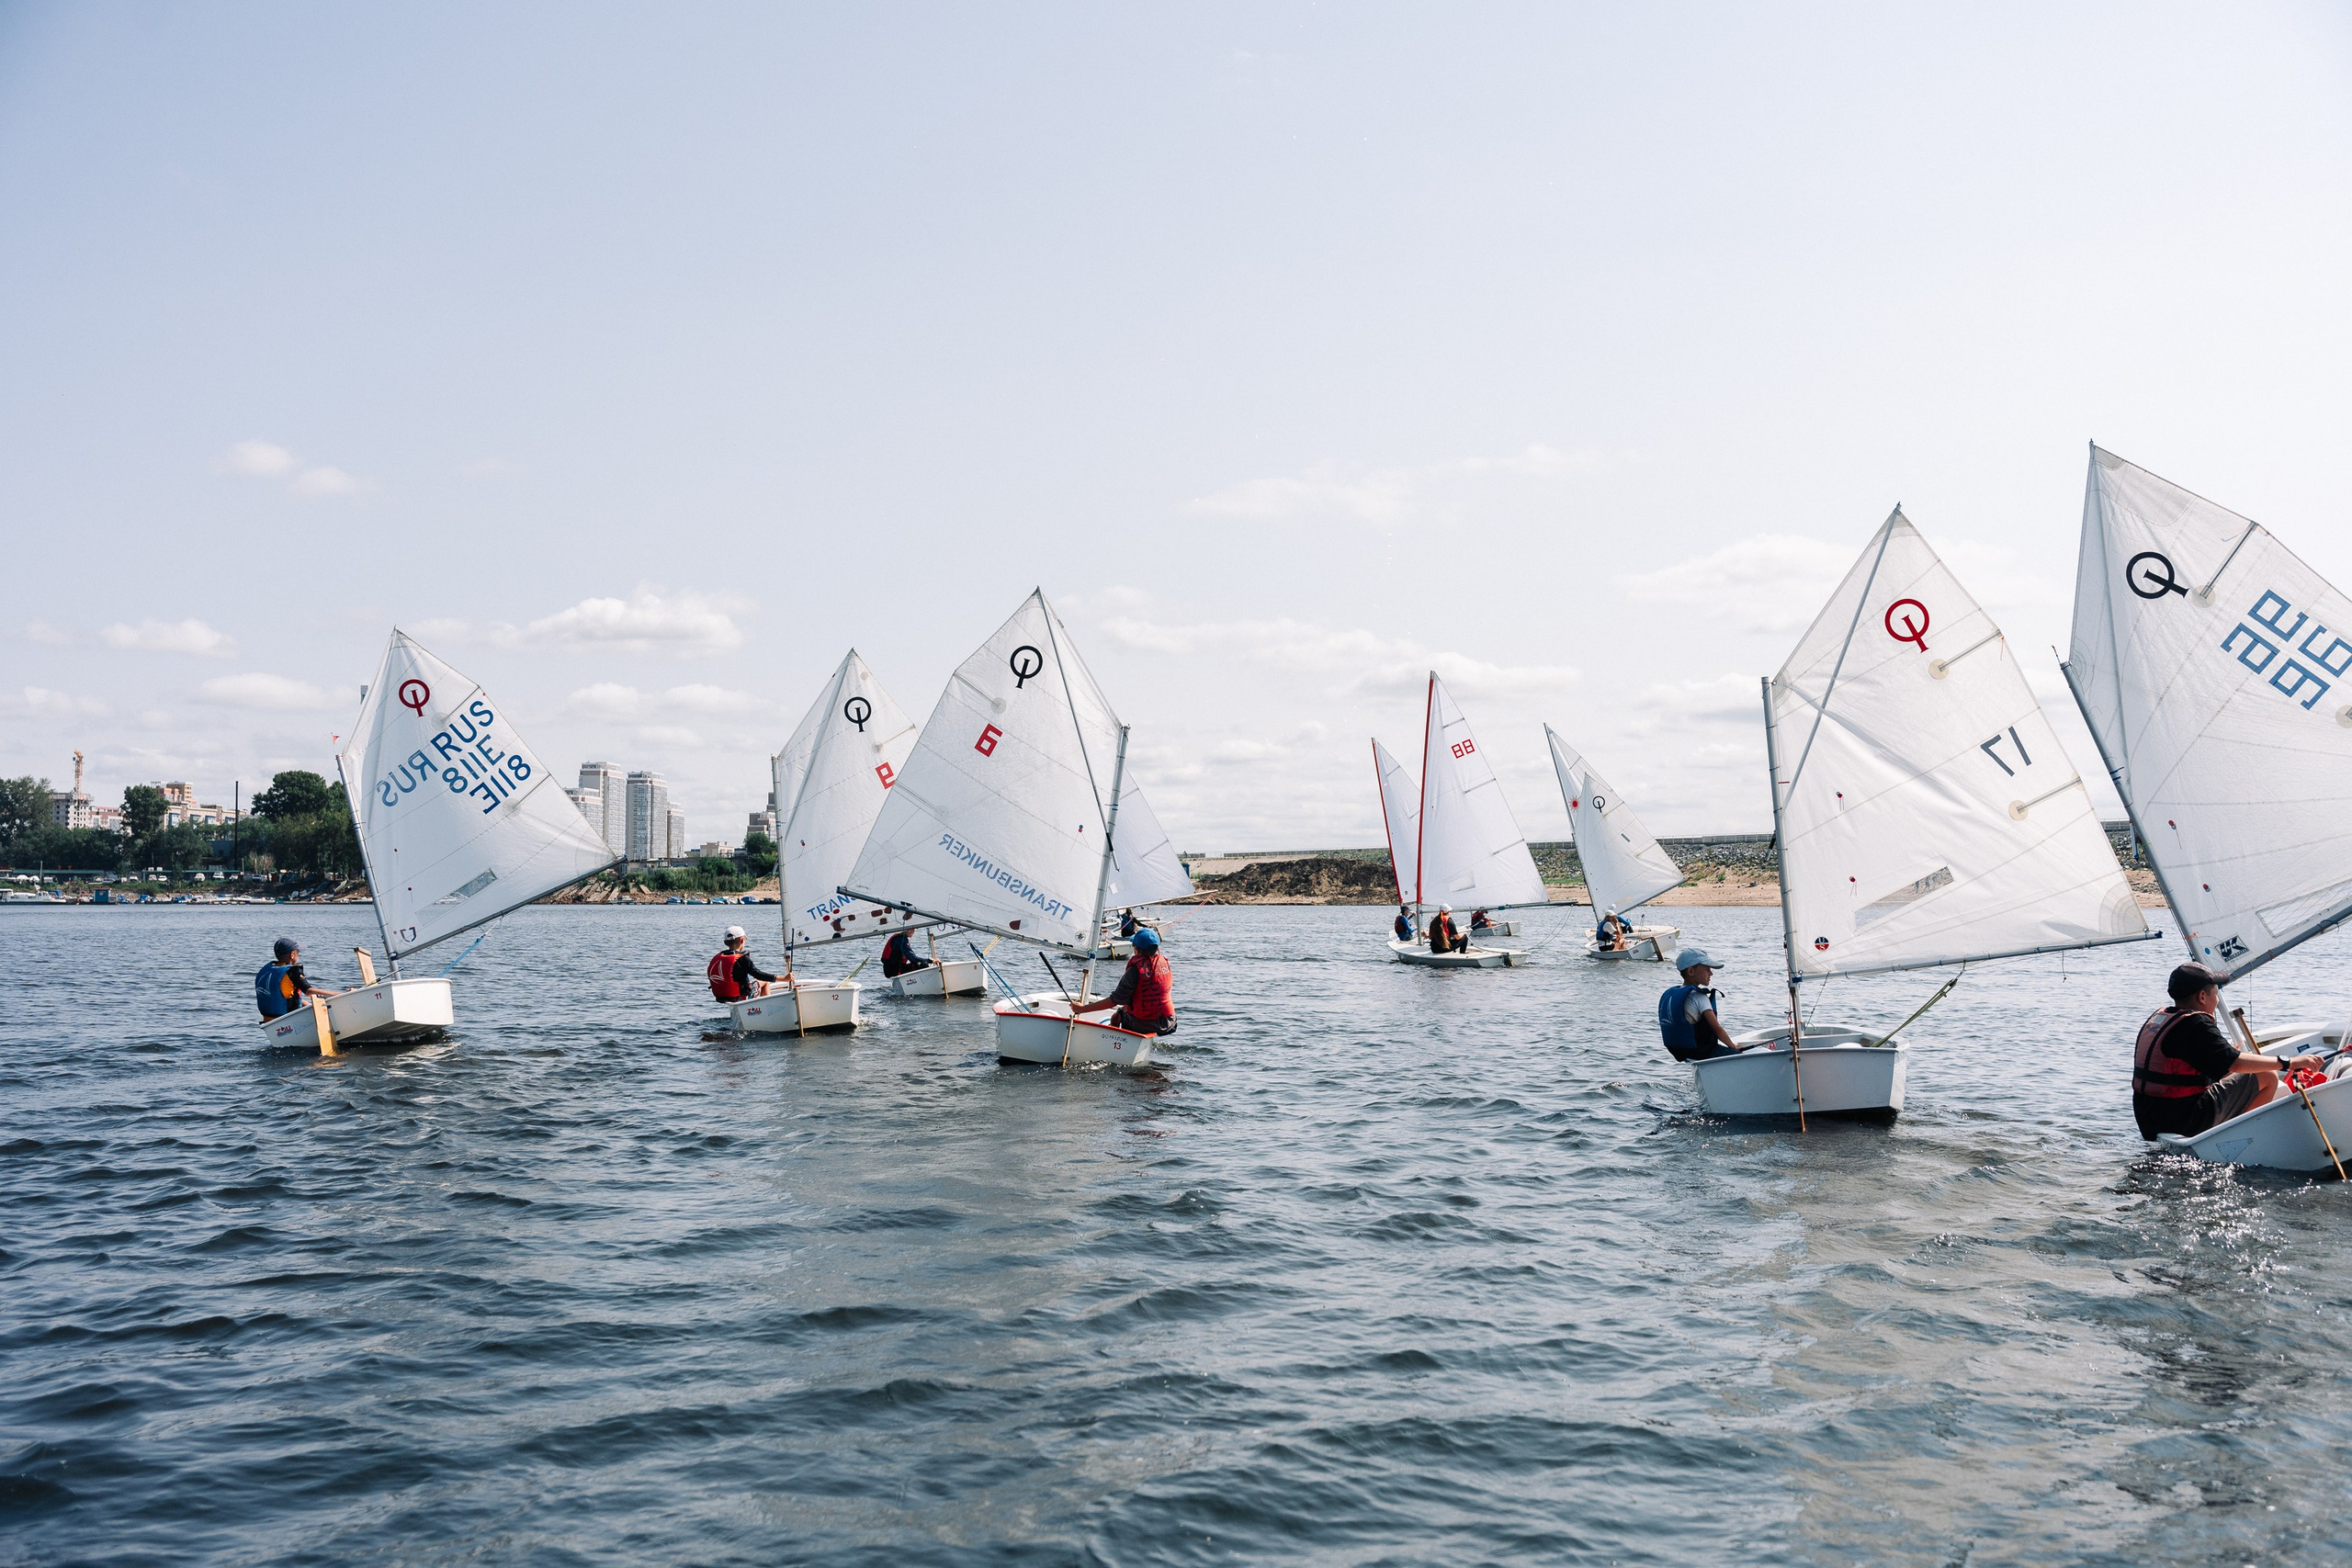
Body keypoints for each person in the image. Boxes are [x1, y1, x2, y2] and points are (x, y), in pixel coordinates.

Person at [2132, 962, 2322, 1140]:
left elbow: (2211, 1067)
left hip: (2149, 1120)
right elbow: (2236, 1064)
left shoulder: (2161, 1019)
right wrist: (2291, 1062)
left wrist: (2231, 1058)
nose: (2216, 1000)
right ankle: (2237, 1137)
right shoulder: (2197, 1024)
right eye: (2216, 993)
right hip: (2184, 1121)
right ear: (2202, 997)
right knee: (2268, 1075)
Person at [1074, 926, 1176, 1035]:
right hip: (1169, 1021)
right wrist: (1122, 1010)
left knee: (1117, 1018)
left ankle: (1120, 1045)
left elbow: (1115, 1000)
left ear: (1136, 949)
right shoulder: (1163, 963)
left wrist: (1082, 1009)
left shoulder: (1135, 970)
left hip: (1145, 1023)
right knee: (1122, 1012)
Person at [1658, 948, 1743, 1060]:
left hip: (1684, 1052)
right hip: (1704, 1052)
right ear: (1691, 972)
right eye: (1707, 969)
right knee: (1740, 1056)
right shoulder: (1699, 997)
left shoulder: (1674, 994)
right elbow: (1717, 1029)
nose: (1711, 973)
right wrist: (1734, 1047)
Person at [254, 937, 335, 1020]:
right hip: (288, 1019)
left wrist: (311, 1007)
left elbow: (285, 998)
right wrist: (342, 995)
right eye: (298, 952)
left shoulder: (266, 970)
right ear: (292, 955)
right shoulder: (292, 971)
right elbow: (309, 992)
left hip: (269, 1020)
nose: (299, 955)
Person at [707, 925, 779, 1002]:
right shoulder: (741, 958)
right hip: (740, 996)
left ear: (725, 942)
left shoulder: (718, 957)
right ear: (742, 940)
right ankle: (765, 1010)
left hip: (723, 997)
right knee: (765, 982)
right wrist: (784, 978)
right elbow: (758, 975)